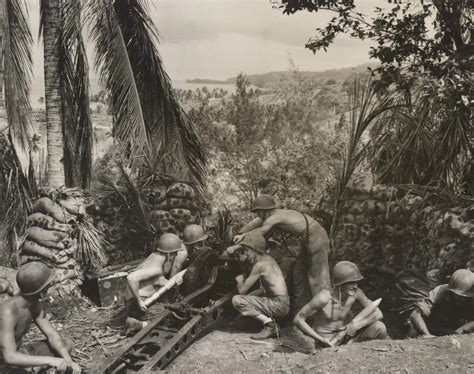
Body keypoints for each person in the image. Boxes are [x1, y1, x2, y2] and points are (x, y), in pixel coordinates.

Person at [233, 194, 330, 314]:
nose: (258, 216)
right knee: (299, 276)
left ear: (265, 211)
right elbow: (254, 224)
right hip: (307, 240)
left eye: (258, 212)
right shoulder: (274, 214)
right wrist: (240, 232)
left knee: (317, 278)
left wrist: (239, 242)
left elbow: (260, 232)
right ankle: (301, 314)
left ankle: (327, 317)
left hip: (316, 237)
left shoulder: (274, 218)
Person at [0, 262, 81, 373]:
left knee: (65, 344)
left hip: (19, 354)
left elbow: (52, 335)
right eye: (49, 284)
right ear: (41, 291)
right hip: (4, 363)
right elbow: (9, 357)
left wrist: (68, 361)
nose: (51, 285)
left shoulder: (35, 305)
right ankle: (32, 369)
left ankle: (32, 369)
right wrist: (51, 361)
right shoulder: (7, 312)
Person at [293, 261, 388, 348]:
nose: (355, 286)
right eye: (350, 283)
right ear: (339, 284)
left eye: (356, 282)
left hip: (347, 339)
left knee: (380, 327)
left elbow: (378, 313)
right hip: (327, 344)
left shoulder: (356, 293)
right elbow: (298, 319)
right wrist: (321, 340)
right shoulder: (324, 298)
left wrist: (356, 325)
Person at [229, 232, 290, 340]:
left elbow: (242, 291)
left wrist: (239, 280)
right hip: (283, 303)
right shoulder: (267, 259)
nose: (245, 253)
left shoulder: (259, 266)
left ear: (254, 249)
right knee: (240, 323)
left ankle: (270, 325)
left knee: (237, 300)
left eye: (247, 250)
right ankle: (274, 321)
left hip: (277, 305)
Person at [127, 233, 188, 313]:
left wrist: (172, 282)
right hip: (139, 302)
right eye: (175, 252)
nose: (176, 254)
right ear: (169, 254)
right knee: (169, 313)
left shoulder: (154, 255)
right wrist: (139, 301)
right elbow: (131, 278)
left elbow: (155, 279)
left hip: (132, 298)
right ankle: (140, 323)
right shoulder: (156, 268)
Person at [409, 269, 474, 337]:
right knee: (415, 332)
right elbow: (415, 315)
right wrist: (427, 334)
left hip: (453, 329)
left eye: (467, 297)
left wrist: (457, 333)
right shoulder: (439, 293)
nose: (463, 299)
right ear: (451, 291)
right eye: (459, 296)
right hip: (432, 327)